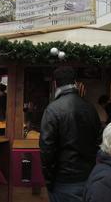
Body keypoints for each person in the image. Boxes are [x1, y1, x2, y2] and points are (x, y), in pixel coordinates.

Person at [40, 66, 101, 202]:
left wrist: (49, 180)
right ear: (75, 82)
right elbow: (98, 141)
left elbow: (46, 150)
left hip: (63, 181)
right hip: (88, 176)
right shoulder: (90, 108)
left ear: (55, 84)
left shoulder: (52, 110)